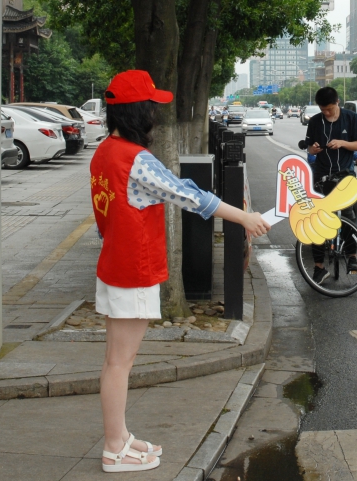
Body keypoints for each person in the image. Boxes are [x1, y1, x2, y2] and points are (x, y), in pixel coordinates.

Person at [90, 70, 271, 472]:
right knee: (120, 362)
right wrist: (243, 217)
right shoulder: (136, 160)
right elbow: (191, 196)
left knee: (117, 360)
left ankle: (119, 437)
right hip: (131, 270)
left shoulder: (105, 151)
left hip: (115, 266)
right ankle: (113, 448)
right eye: (151, 106)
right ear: (139, 112)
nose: (156, 113)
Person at [304, 86, 357, 283]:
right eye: (323, 110)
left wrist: (341, 143)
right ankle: (319, 267)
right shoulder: (315, 121)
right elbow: (309, 149)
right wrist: (313, 149)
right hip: (321, 175)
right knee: (317, 220)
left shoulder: (350, 118)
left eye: (329, 109)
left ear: (337, 102)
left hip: (345, 175)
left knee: (348, 215)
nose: (326, 113)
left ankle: (352, 257)